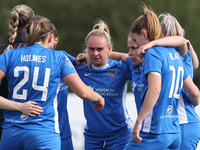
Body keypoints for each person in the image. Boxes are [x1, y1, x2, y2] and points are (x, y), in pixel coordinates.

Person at [0, 15, 104, 150]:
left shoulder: (9, 55)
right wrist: (99, 98)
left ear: (27, 37)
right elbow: (83, 92)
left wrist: (20, 107)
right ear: (50, 38)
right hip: (43, 132)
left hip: (11, 133)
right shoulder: (59, 58)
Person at [122, 6, 199, 150]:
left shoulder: (154, 54)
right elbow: (185, 46)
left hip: (159, 128)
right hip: (175, 129)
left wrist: (139, 122)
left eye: (134, 41)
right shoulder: (177, 55)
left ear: (144, 34)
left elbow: (155, 89)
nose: (134, 47)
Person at [72, 19, 132, 150]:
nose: (95, 53)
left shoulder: (121, 68)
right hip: (92, 137)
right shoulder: (79, 68)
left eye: (100, 49)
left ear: (109, 49)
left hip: (120, 135)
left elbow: (139, 64)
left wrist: (119, 56)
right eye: (91, 49)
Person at [0, 4, 35, 139]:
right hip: (34, 123)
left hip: (5, 123)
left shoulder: (4, 52)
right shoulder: (44, 54)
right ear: (34, 24)